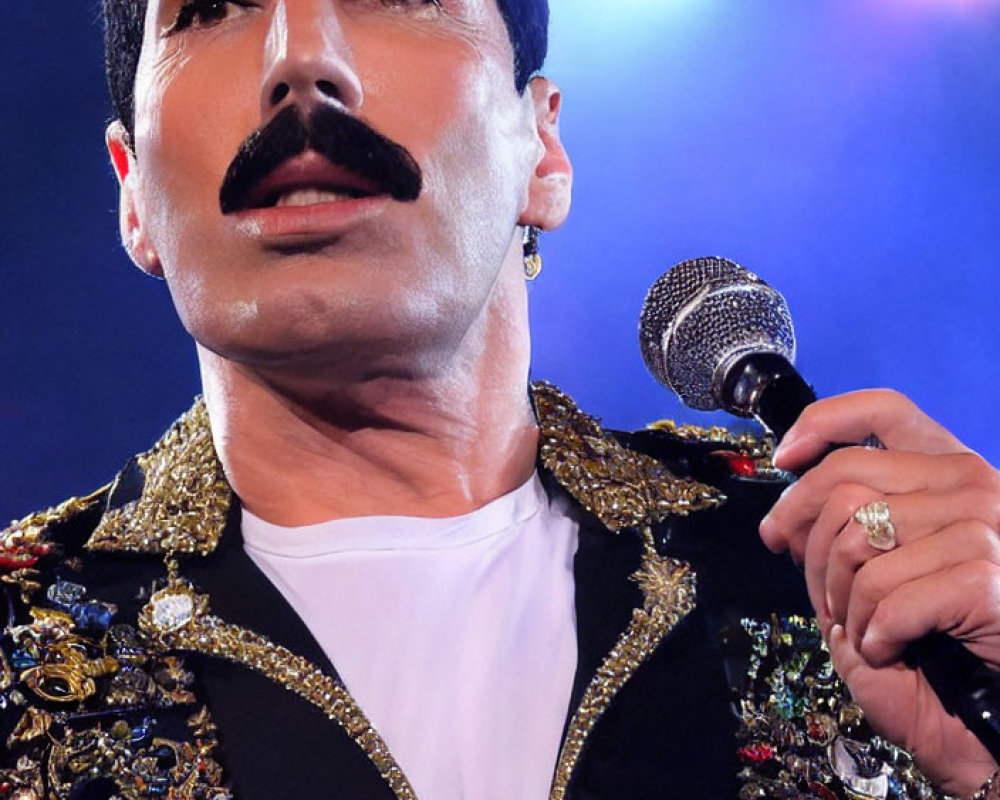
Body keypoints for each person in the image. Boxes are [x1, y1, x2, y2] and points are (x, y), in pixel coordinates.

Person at [2, 1, 998, 799]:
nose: (300, 55)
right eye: (212, 7)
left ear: (542, 146)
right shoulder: (19, 635)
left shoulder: (821, 565)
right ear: (133, 193)